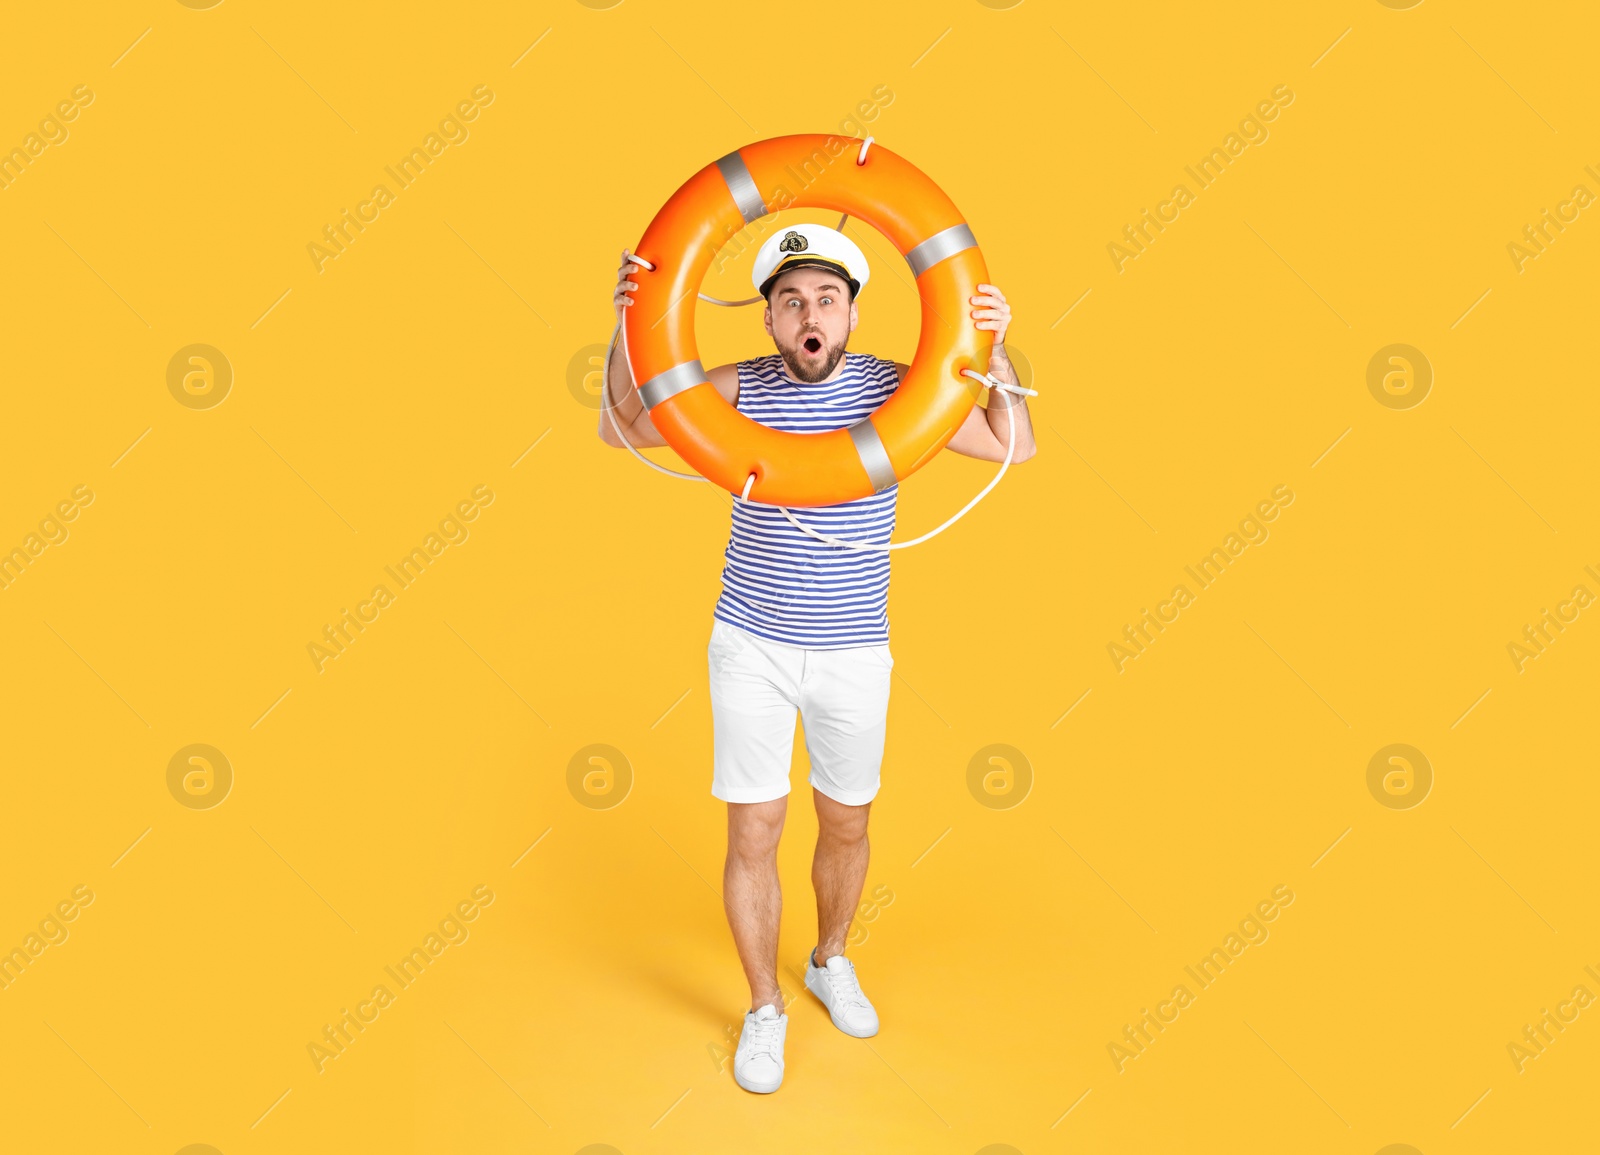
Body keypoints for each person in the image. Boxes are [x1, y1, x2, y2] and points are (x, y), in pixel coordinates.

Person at [598, 222, 1037, 1093]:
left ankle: (829, 956)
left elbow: (1012, 444)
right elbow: (624, 431)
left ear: (851, 313)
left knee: (847, 822)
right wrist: (624, 326)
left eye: (825, 300)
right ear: (767, 319)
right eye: (791, 301)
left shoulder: (900, 391)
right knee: (753, 829)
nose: (810, 313)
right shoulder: (737, 388)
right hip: (750, 644)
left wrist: (995, 339)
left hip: (853, 650)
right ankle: (765, 1009)